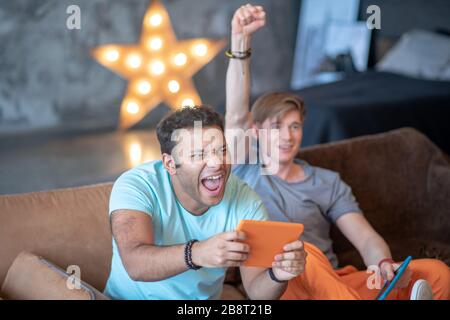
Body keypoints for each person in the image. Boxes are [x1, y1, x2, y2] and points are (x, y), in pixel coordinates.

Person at [225, 3, 450, 300]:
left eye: (295, 127)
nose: (287, 136)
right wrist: (241, 43)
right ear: (255, 132)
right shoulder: (244, 169)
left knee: (436, 273)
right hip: (282, 286)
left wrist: (382, 264)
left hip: (335, 283)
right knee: (300, 250)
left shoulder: (326, 181)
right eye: (277, 126)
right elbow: (236, 114)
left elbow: (366, 238)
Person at [103, 105, 307, 299]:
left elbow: (256, 291)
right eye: (199, 154)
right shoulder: (136, 185)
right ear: (170, 164)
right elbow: (135, 264)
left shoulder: (246, 201)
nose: (217, 162)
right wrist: (197, 253)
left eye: (222, 150)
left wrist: (278, 275)